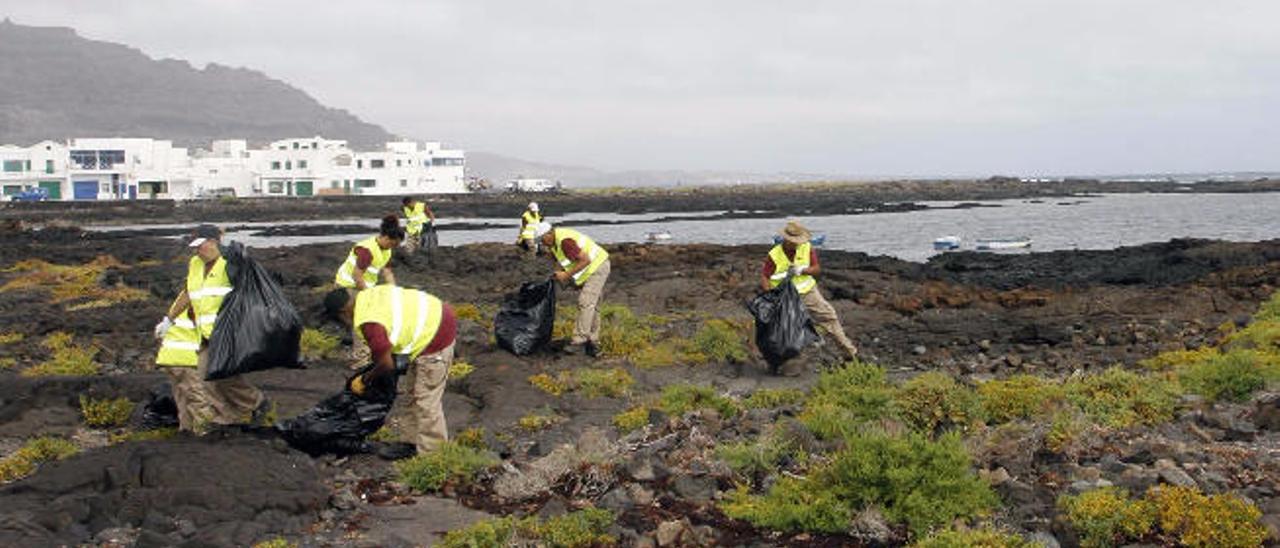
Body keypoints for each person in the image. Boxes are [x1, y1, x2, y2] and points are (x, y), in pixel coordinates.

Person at [153, 224, 265, 432]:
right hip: (205, 335)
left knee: (225, 377)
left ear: (213, 242)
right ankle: (228, 419)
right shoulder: (195, 264)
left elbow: (250, 291)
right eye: (194, 247)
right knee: (207, 380)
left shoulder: (230, 263)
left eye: (200, 246)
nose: (197, 251)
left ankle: (254, 403)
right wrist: (169, 319)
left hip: (228, 332)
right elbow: (188, 292)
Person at [323, 285, 457, 453]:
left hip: (438, 333)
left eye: (339, 319)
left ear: (344, 312)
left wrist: (365, 379)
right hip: (432, 319)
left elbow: (386, 365)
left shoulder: (371, 323)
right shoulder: (366, 296)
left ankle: (433, 454)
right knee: (412, 392)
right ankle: (410, 443)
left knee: (426, 399)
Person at [760, 221, 859, 369]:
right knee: (786, 330)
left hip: (808, 292)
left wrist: (802, 270)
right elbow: (765, 277)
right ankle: (783, 364)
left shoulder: (806, 247)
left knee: (829, 317)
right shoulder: (774, 255)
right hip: (784, 297)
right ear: (786, 239)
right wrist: (770, 296)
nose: (796, 244)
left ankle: (850, 354)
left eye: (797, 241)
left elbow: (816, 269)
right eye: (793, 241)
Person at [334, 215, 404, 366]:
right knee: (363, 321)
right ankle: (360, 360)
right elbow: (357, 275)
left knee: (370, 320)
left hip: (362, 288)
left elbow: (387, 272)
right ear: (385, 237)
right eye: (392, 243)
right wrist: (369, 294)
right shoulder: (367, 250)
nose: (393, 247)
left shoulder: (386, 250)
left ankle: (365, 355)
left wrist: (394, 291)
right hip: (348, 287)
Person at [535, 222, 610, 357]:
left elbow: (585, 260)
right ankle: (593, 343)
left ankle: (579, 342)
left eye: (542, 239)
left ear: (549, 234)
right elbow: (563, 260)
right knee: (593, 305)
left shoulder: (565, 242)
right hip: (593, 268)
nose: (542, 243)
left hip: (598, 267)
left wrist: (566, 275)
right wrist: (559, 273)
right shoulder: (555, 243)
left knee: (585, 302)